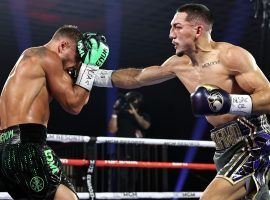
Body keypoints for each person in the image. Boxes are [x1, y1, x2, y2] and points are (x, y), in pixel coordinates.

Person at [91, 3, 270, 200]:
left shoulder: (230, 56)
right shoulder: (178, 64)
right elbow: (137, 77)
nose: (170, 34)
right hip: (223, 147)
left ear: (198, 30)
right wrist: (90, 76)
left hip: (254, 141)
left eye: (177, 27)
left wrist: (227, 102)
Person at [0, 25, 109, 200]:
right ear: (63, 46)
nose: (76, 63)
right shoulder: (48, 57)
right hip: (28, 146)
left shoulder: (31, 58)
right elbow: (74, 104)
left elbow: (80, 95)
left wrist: (84, 69)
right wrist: (90, 66)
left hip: (5, 149)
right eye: (77, 56)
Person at [107, 91, 151, 191]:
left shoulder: (143, 115)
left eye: (134, 101)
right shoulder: (121, 115)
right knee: (121, 178)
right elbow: (112, 129)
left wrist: (134, 112)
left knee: (134, 180)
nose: (133, 102)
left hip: (137, 153)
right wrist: (115, 112)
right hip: (122, 152)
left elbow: (146, 125)